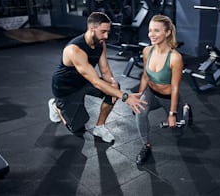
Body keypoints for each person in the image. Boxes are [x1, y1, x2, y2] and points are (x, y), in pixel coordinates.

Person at [48, 12, 146, 143]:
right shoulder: (74, 50)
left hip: (84, 81)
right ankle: (56, 106)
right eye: (103, 32)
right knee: (77, 129)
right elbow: (96, 81)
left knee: (113, 90)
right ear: (91, 29)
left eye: (108, 32)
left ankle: (99, 127)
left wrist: (113, 83)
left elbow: (105, 70)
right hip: (66, 88)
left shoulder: (100, 43)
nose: (106, 36)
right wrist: (126, 97)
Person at [135, 15, 184, 165]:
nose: (151, 34)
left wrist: (172, 114)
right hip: (151, 93)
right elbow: (145, 76)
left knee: (179, 128)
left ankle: (185, 108)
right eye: (150, 30)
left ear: (168, 32)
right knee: (140, 112)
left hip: (168, 97)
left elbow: (175, 87)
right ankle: (146, 146)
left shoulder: (175, 58)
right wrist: (139, 95)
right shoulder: (147, 51)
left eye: (156, 31)